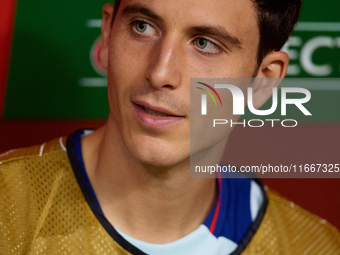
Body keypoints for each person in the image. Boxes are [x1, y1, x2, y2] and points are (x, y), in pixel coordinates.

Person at [1, 0, 339, 254]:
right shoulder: (8, 209)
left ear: (262, 83)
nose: (160, 72)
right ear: (107, 32)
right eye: (143, 26)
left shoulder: (313, 247)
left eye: (205, 43)